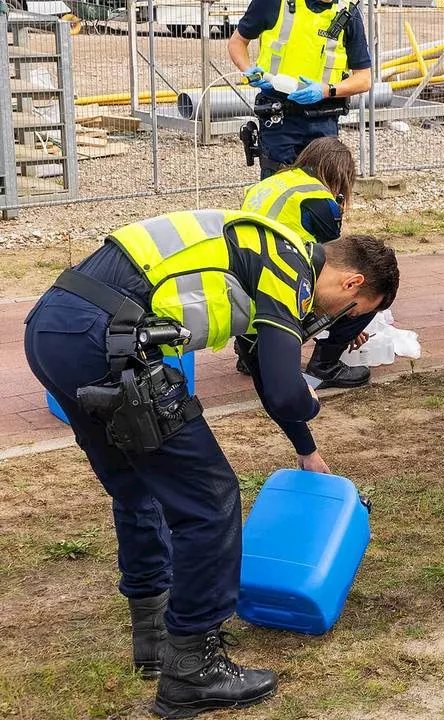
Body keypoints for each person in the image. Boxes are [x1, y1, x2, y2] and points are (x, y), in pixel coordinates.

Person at [24, 211, 398, 717]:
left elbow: (268, 374)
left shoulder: (264, 249)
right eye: (352, 310)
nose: (338, 319)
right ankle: (194, 668)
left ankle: (155, 637)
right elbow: (288, 391)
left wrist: (305, 448)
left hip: (55, 329)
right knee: (210, 500)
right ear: (352, 281)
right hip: (104, 340)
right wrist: (312, 405)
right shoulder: (289, 269)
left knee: (138, 486)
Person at [239, 136, 376, 388]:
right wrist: (349, 319)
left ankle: (250, 350)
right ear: (340, 174)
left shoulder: (268, 184)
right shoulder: (318, 198)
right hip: (281, 289)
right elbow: (338, 260)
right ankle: (326, 364)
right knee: (372, 283)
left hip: (241, 291)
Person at [228, 0, 373, 179]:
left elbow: (364, 79)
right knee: (278, 185)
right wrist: (248, 70)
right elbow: (237, 42)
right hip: (279, 118)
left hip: (324, 118)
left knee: (324, 188)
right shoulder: (273, 3)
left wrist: (327, 90)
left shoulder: (347, 13)